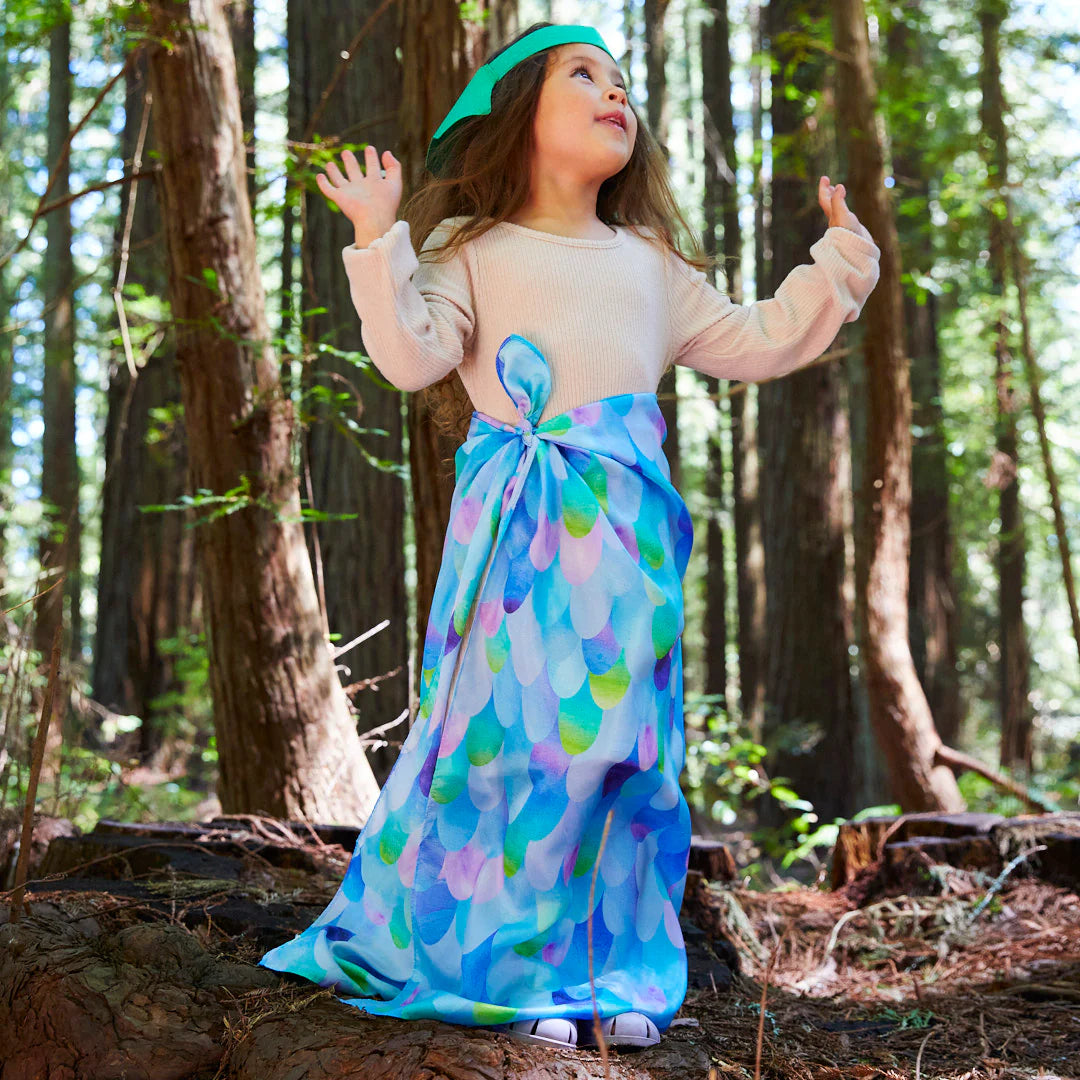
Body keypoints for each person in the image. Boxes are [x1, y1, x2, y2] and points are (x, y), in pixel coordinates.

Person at [257, 20, 881, 1054]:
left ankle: (614, 967)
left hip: (625, 547)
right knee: (514, 750)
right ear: (519, 122)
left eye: (622, 79)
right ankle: (508, 968)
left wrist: (839, 263)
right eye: (582, 75)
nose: (613, 92)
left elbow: (762, 338)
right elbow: (413, 359)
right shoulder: (471, 250)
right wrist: (377, 238)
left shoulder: (648, 262)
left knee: (625, 752)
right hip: (513, 541)